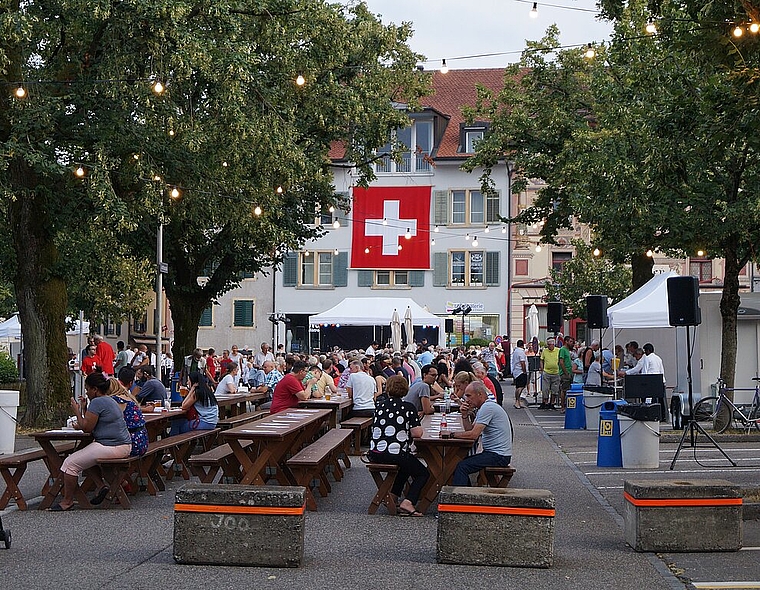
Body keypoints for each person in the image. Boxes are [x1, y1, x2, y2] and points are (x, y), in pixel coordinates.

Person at [51, 372, 132, 511]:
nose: (87, 392)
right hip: (122, 444)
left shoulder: (97, 402)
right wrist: (84, 408)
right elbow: (91, 422)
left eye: (88, 389)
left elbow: (87, 428)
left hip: (111, 445)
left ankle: (67, 501)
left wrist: (76, 410)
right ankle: (102, 487)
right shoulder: (109, 400)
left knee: (70, 464)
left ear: (95, 389)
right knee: (84, 457)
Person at [368, 375, 429, 517]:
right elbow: (417, 433)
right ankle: (408, 502)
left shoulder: (379, 406)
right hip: (394, 453)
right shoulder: (407, 407)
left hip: (375, 452)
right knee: (423, 473)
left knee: (406, 464)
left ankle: (393, 496)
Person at [451, 381, 513, 486]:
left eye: (469, 396)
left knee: (461, 466)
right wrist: (464, 415)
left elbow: (473, 435)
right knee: (459, 464)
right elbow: (469, 430)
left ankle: (461, 498)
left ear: (479, 394)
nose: (467, 400)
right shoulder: (484, 407)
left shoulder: (487, 408)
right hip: (496, 454)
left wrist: (451, 435)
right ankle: (466, 495)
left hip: (498, 456)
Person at [106, 377, 148, 458]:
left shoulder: (115, 400)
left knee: (94, 453)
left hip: (130, 443)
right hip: (142, 441)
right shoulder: (129, 398)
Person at [540, 337, 560, 410]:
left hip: (556, 372)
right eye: (548, 345)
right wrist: (542, 369)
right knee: (545, 389)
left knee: (555, 389)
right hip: (547, 372)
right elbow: (541, 360)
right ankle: (545, 402)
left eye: (550, 345)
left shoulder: (558, 350)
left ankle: (552, 403)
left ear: (553, 344)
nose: (548, 346)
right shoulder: (545, 351)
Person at [558, 336, 575, 412]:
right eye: (571, 341)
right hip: (565, 372)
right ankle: (562, 407)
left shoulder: (568, 350)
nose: (572, 343)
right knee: (564, 390)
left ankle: (566, 405)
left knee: (567, 389)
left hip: (569, 371)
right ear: (566, 341)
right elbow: (561, 362)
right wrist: (565, 372)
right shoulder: (562, 350)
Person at [511, 339, 528, 409]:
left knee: (518, 387)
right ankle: (517, 401)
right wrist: (524, 371)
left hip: (516, 371)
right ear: (522, 345)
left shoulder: (515, 351)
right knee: (521, 387)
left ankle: (517, 401)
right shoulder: (521, 352)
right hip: (520, 371)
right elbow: (522, 362)